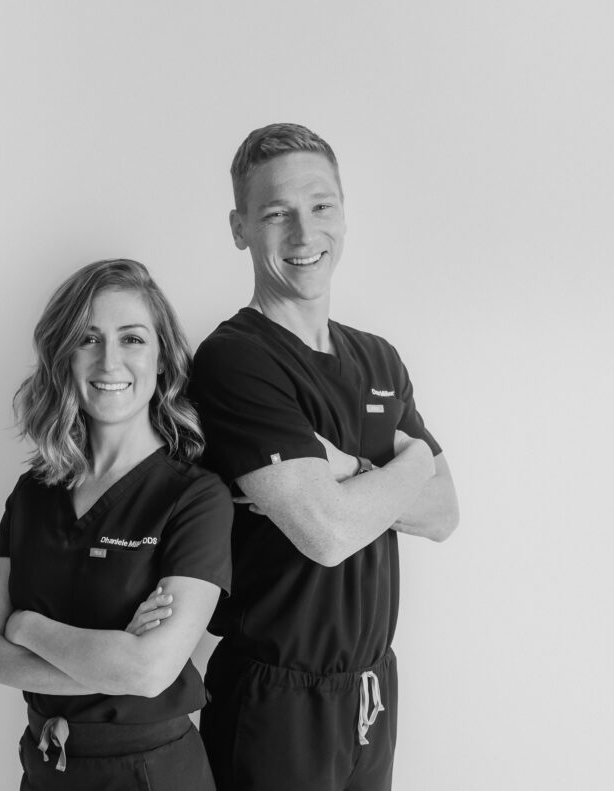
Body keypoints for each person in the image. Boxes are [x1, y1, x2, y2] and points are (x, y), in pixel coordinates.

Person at [189, 123, 460, 791]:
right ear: (239, 227)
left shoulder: (378, 357)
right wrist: (410, 466)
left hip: (371, 689)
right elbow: (326, 531)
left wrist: (355, 474)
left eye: (320, 207)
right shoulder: (236, 358)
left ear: (344, 210)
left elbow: (446, 511)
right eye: (276, 213)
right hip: (277, 697)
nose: (304, 235)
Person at [0, 259, 232, 791]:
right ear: (65, 357)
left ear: (162, 360)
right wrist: (112, 661)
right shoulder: (34, 494)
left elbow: (151, 672)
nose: (110, 360)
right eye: (88, 339)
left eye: (132, 339)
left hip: (149, 771)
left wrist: (26, 628)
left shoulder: (195, 499)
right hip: (46, 765)